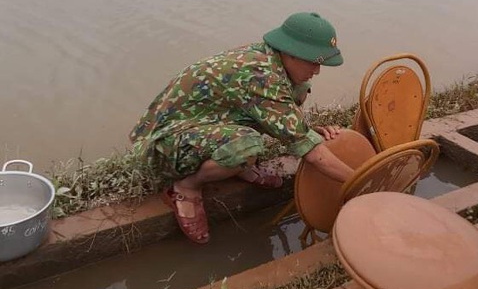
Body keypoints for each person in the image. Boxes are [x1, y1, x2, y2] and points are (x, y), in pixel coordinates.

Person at [129, 12, 354, 244]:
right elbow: (314, 155)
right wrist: (361, 181)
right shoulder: (262, 77)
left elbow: (278, 109)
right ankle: (187, 186)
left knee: (298, 89)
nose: (317, 71)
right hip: (164, 142)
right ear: (291, 53)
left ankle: (239, 168)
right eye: (314, 62)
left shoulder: (269, 57)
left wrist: (306, 129)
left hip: (205, 120)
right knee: (246, 147)